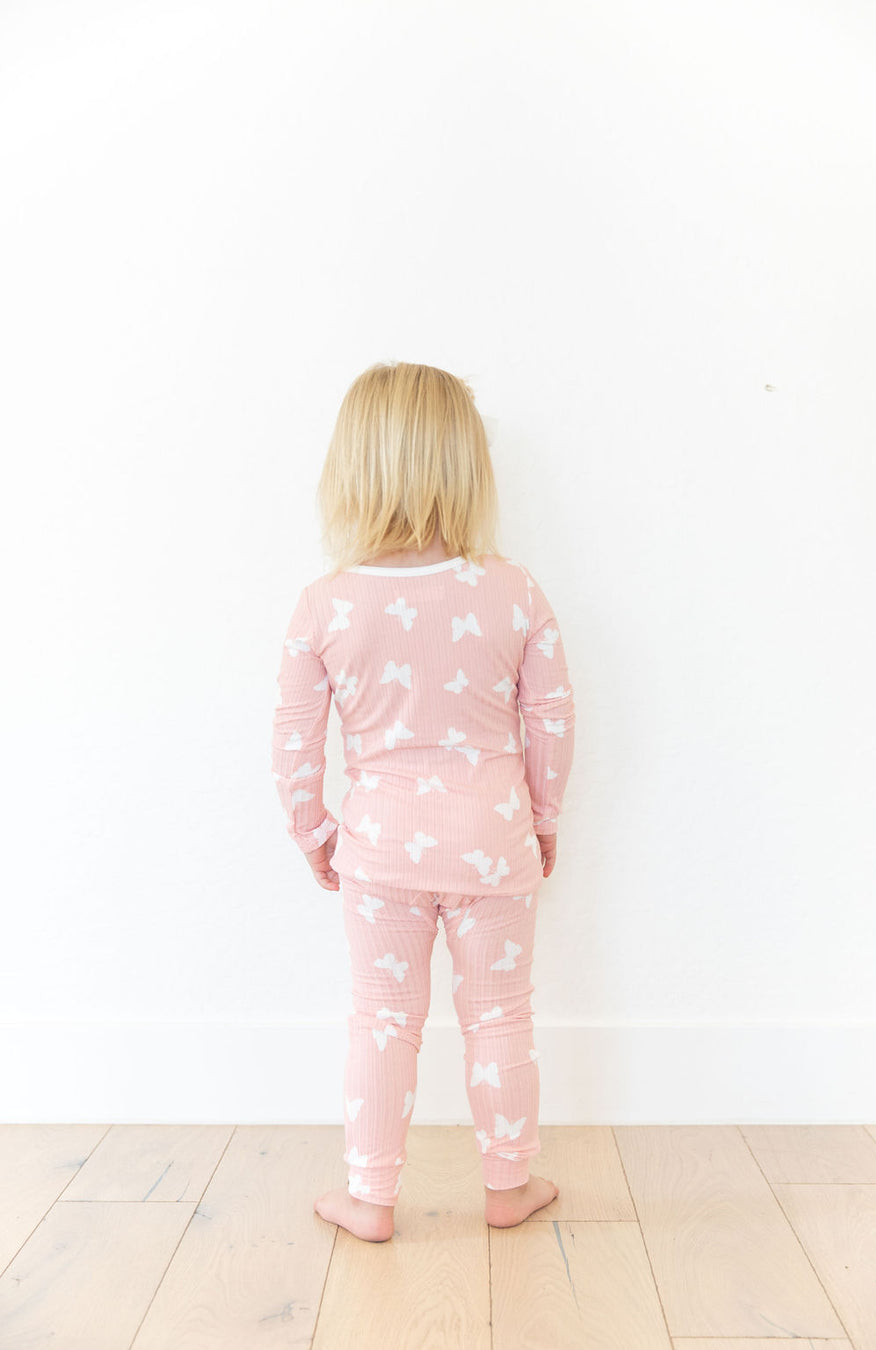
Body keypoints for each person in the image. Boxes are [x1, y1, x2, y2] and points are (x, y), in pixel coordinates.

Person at [271, 360, 575, 1243]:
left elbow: (293, 740)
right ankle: (509, 1186)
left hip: (380, 852)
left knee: (381, 1019)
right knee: (501, 1014)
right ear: (467, 467)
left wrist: (313, 832)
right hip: (494, 844)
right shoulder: (514, 591)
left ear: (350, 468)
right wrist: (543, 819)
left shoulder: (326, 605)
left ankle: (370, 1199)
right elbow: (553, 720)